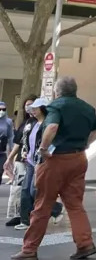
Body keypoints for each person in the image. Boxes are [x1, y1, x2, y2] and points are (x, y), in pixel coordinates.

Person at [13, 77, 96, 260]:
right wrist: (86, 143)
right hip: (78, 158)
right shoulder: (87, 107)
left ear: (57, 91)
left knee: (42, 204)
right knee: (75, 204)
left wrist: (43, 148)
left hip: (56, 159)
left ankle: (29, 249)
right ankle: (85, 243)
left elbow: (52, 126)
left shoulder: (56, 106)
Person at [13, 99, 63, 231]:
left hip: (41, 162)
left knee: (34, 190)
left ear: (43, 108)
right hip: (30, 160)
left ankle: (55, 209)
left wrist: (46, 156)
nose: (32, 110)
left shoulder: (48, 124)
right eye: (32, 108)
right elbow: (27, 141)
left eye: (35, 108)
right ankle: (25, 220)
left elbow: (52, 143)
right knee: (25, 190)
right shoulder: (32, 123)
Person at [4, 96, 37, 228]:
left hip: (30, 160)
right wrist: (10, 158)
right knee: (18, 189)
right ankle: (19, 215)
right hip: (21, 159)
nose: (28, 107)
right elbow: (18, 142)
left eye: (31, 104)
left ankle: (53, 209)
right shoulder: (26, 122)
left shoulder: (38, 123)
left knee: (28, 190)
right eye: (26, 105)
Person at [0, 102, 16, 171]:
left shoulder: (8, 121)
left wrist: (12, 150)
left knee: (1, 169)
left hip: (2, 150)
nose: (1, 111)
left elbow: (10, 136)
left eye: (4, 109)